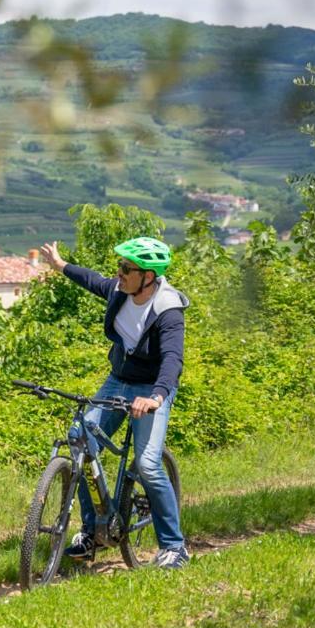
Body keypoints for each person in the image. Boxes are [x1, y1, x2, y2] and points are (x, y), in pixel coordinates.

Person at [40, 236, 190, 569]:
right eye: (119, 267)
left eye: (126, 268)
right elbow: (93, 280)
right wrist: (61, 265)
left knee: (148, 464)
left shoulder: (168, 309)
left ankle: (174, 547)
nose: (118, 273)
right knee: (80, 440)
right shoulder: (122, 292)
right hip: (117, 382)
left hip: (152, 389)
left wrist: (155, 397)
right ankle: (92, 531)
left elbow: (172, 360)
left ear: (148, 276)